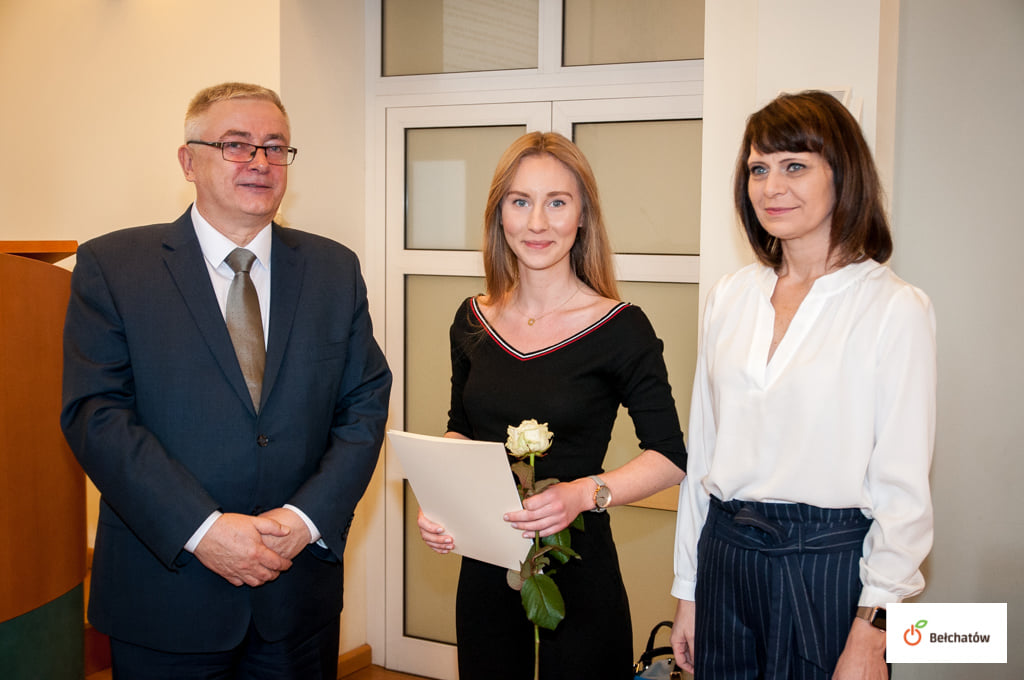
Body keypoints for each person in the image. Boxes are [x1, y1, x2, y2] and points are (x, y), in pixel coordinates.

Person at [61, 82, 392, 679]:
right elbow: (96, 414)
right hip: (167, 593)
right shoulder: (113, 267)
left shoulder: (334, 269)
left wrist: (305, 519)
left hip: (296, 595)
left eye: (275, 147)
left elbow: (364, 405)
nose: (259, 161)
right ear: (188, 161)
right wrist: (202, 529)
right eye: (236, 144)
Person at [670, 90, 936, 679]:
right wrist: (688, 587)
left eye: (794, 166)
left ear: (842, 174)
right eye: (758, 169)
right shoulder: (729, 296)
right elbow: (704, 454)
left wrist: (874, 629)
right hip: (725, 555)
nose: (771, 187)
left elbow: (903, 492)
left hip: (827, 568)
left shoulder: (894, 308)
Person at [416, 131, 688, 679]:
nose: (537, 223)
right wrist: (442, 503)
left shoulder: (621, 327)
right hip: (487, 569)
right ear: (499, 215)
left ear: (583, 216)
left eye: (557, 203)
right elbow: (459, 429)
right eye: (520, 202)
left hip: (581, 575)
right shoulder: (471, 320)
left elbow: (670, 456)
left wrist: (583, 494)